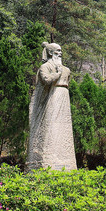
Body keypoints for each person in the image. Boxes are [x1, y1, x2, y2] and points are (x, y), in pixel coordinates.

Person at [25, 42, 77, 171]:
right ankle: (45, 160)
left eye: (61, 51)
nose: (60, 53)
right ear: (50, 52)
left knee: (64, 128)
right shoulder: (45, 67)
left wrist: (61, 73)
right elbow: (46, 80)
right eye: (57, 50)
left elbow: (67, 81)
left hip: (64, 97)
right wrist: (57, 74)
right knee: (50, 126)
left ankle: (65, 161)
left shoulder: (66, 69)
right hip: (52, 98)